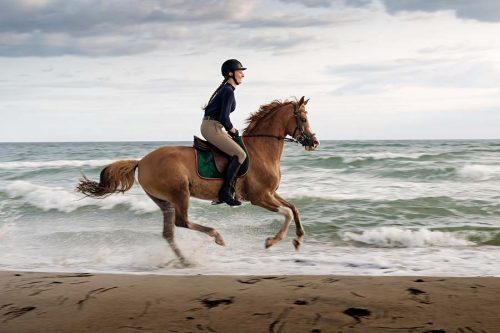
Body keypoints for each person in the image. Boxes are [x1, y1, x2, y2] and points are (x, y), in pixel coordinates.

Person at [200, 59, 247, 206]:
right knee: (241, 155)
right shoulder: (228, 91)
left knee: (232, 153)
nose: (243, 75)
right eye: (240, 72)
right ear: (230, 73)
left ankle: (221, 190)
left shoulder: (226, 90)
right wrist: (232, 130)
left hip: (213, 126)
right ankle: (225, 193)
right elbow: (224, 118)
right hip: (212, 127)